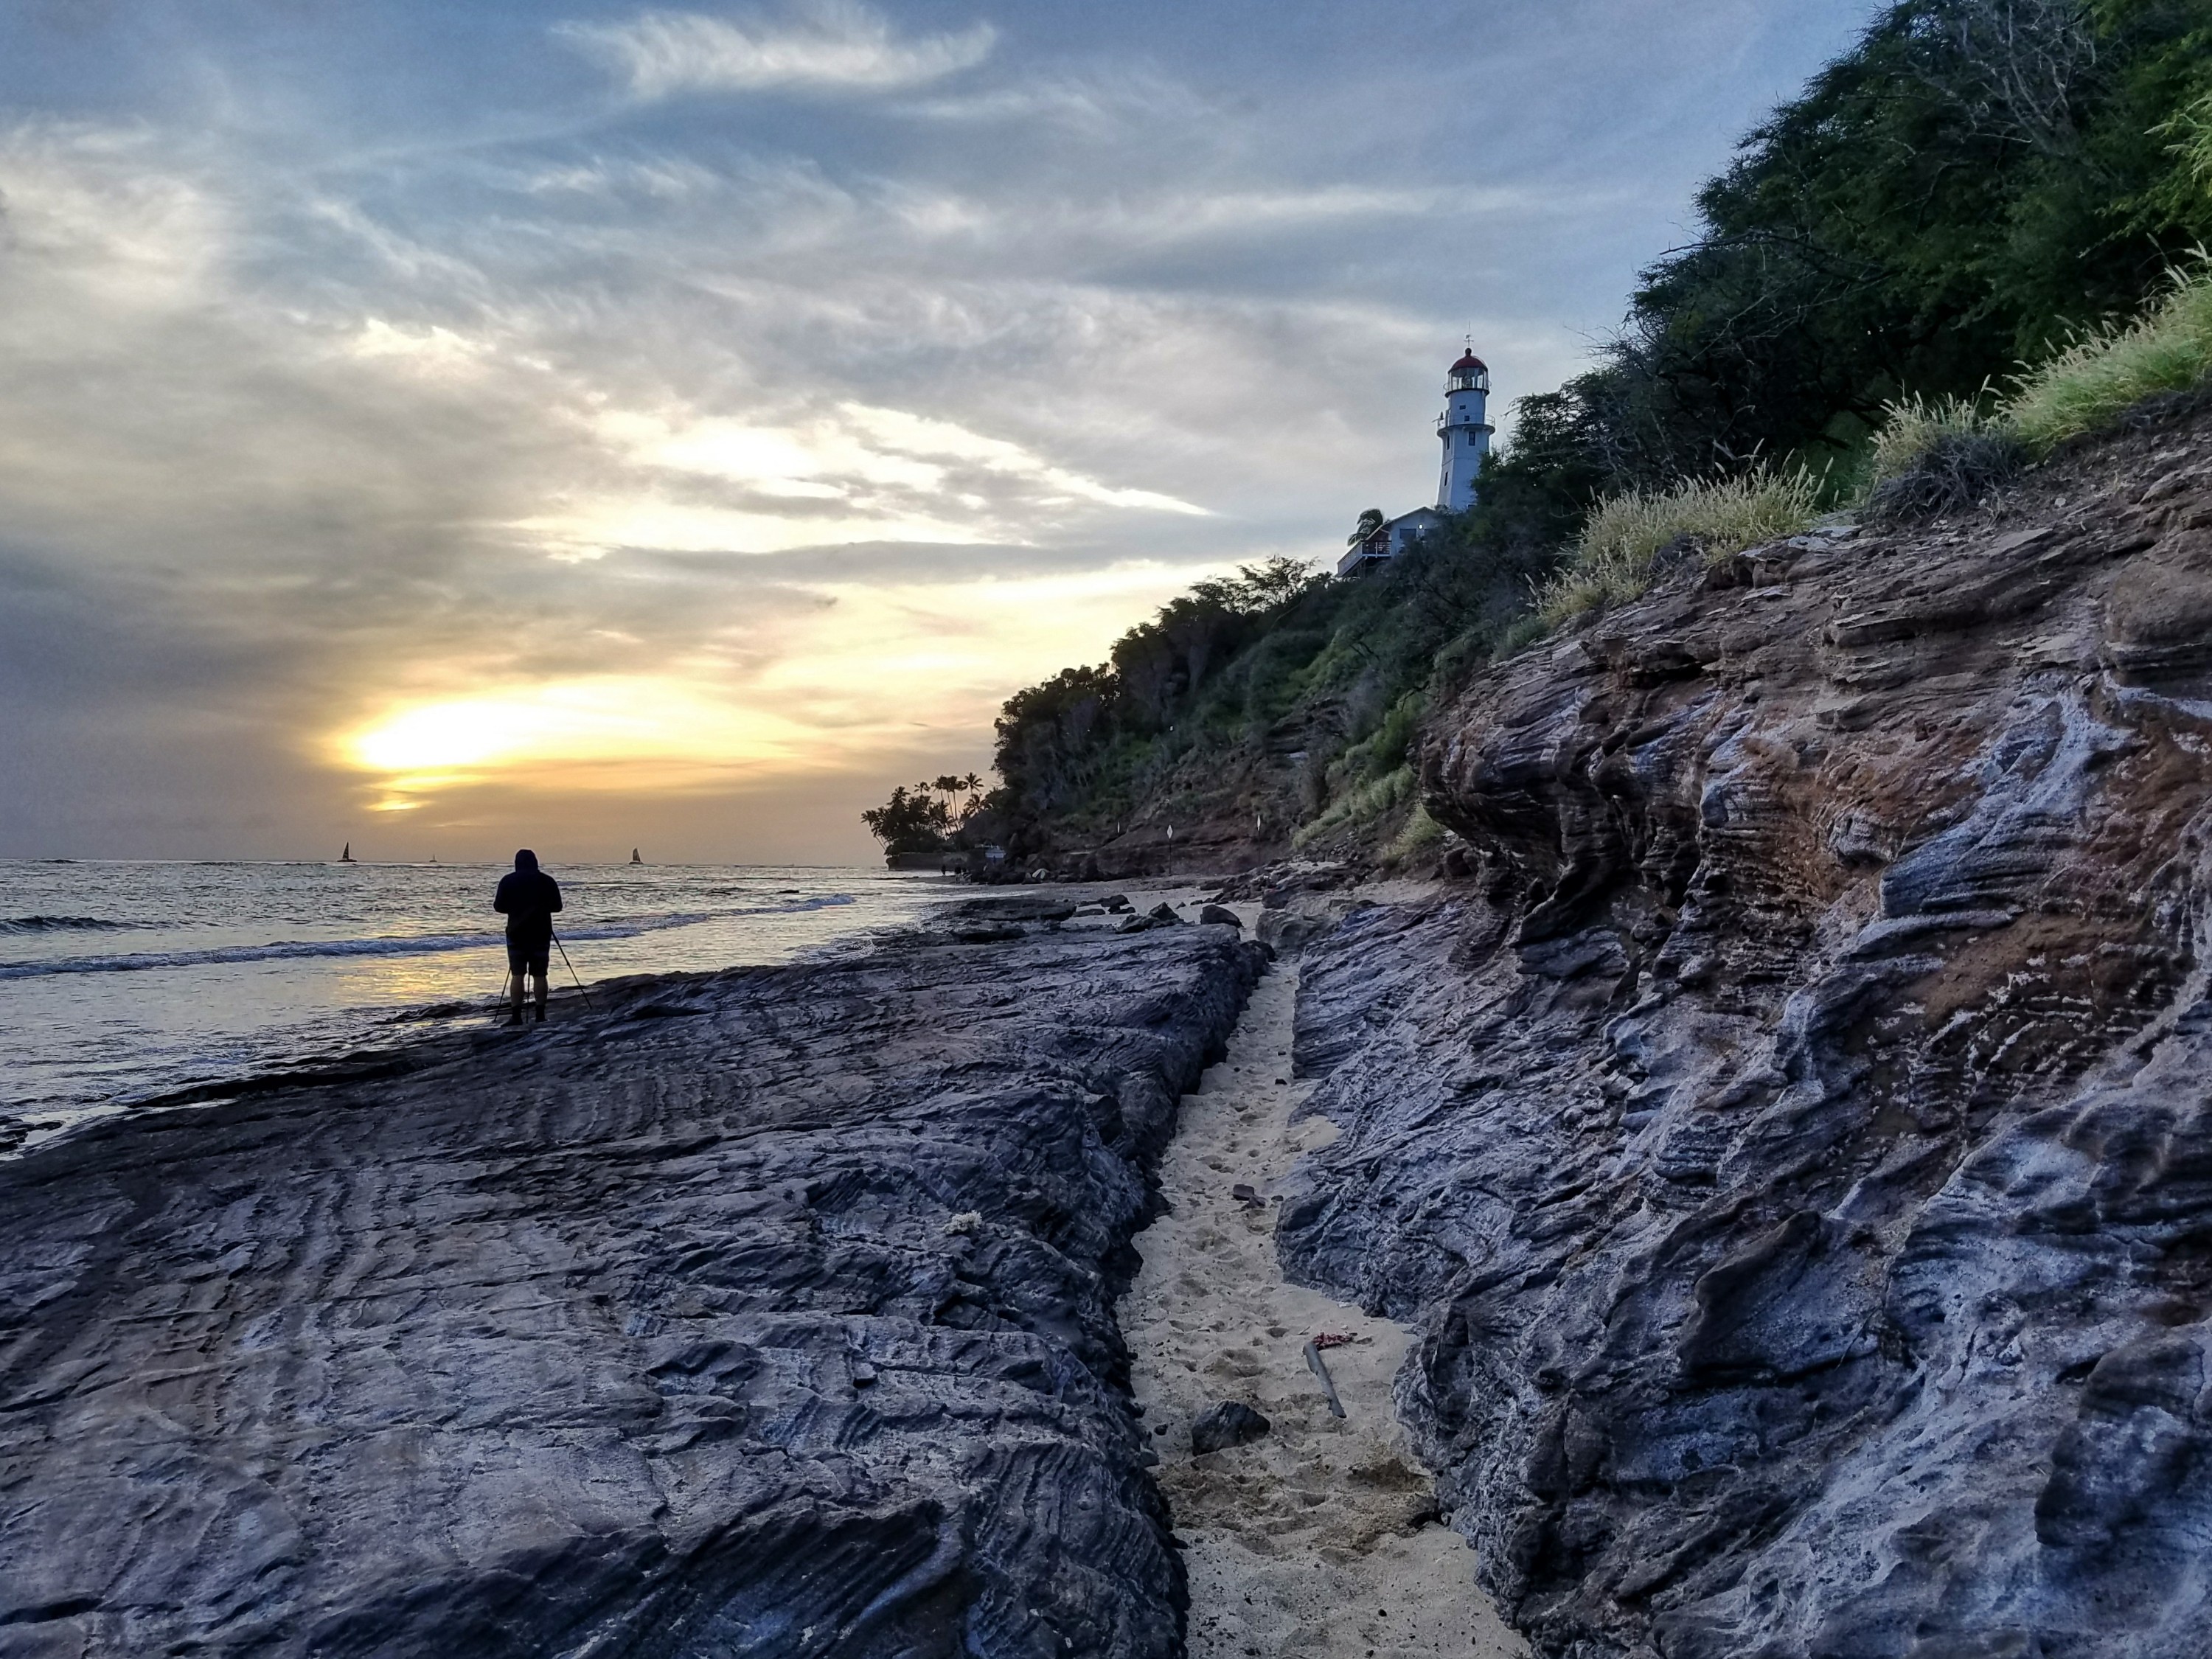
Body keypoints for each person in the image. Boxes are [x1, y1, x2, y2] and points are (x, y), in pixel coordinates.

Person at [493, 849, 563, 1025]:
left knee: (517, 974)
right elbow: (557, 907)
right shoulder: (547, 881)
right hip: (541, 933)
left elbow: (499, 907)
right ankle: (540, 1015)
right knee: (540, 974)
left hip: (516, 933)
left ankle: (516, 1016)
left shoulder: (508, 881)